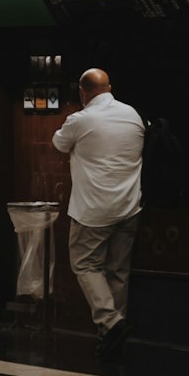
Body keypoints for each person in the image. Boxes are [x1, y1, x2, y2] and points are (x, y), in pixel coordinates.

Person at [51, 68, 144, 358]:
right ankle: (111, 338)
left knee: (85, 265)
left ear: (82, 92)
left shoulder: (80, 120)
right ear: (110, 87)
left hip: (93, 210)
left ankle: (111, 322)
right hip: (129, 207)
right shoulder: (133, 115)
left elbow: (58, 143)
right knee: (117, 271)